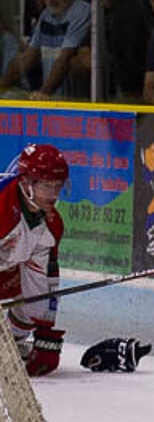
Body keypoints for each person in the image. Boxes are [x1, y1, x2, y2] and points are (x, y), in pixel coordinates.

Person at [0, 144, 69, 377]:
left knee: (31, 303)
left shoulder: (51, 226)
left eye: (58, 186)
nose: (53, 194)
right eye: (47, 186)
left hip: (5, 265)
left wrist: (45, 334)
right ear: (26, 182)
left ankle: (12, 342)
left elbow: (41, 282)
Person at [0, 0, 90, 100]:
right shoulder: (46, 15)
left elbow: (65, 57)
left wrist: (44, 92)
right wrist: (3, 84)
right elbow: (27, 57)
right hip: (52, 102)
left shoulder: (82, 10)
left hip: (74, 103)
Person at [70, 0, 153, 102]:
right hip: (101, 97)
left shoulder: (133, 10)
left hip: (130, 96)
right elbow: (79, 60)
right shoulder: (98, 11)